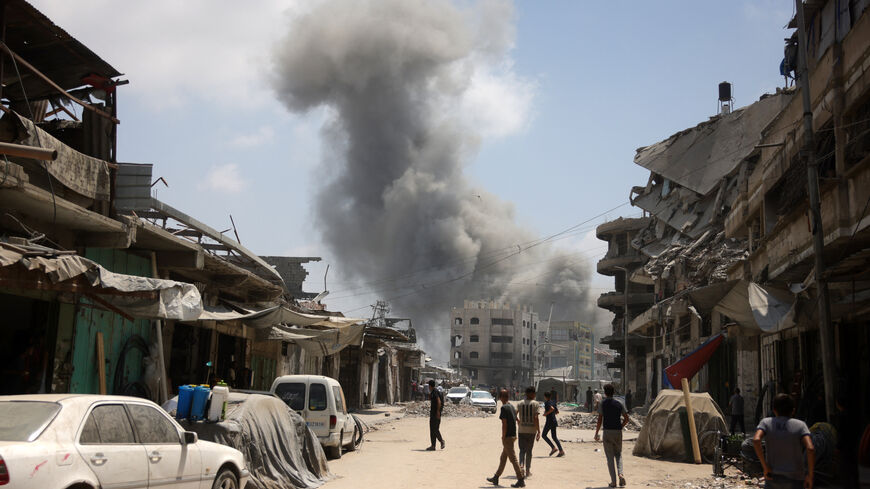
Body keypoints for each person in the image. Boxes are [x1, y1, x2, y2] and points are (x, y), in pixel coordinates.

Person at [752, 393, 814, 489]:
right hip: (796, 478)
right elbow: (810, 448)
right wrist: (810, 475)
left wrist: (765, 467)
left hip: (772, 477)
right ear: (793, 410)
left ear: (774, 410)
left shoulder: (766, 422)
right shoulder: (801, 425)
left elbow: (756, 440)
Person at [487, 389, 525, 488]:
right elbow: (516, 418)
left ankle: (521, 479)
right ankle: (496, 477)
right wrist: (517, 421)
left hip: (507, 437)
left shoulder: (504, 408)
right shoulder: (512, 406)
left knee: (513, 459)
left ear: (501, 398)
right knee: (503, 458)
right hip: (513, 435)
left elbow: (504, 423)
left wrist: (503, 436)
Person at [594, 384, 629, 488]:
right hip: (618, 432)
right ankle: (621, 474)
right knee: (618, 454)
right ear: (614, 392)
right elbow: (627, 419)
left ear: (605, 392)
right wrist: (620, 426)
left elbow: (600, 419)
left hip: (607, 432)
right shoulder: (620, 403)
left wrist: (596, 433)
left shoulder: (602, 403)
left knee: (610, 458)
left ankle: (613, 482)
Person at [516, 386, 541, 478]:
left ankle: (521, 465)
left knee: (522, 450)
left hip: (522, 430)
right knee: (529, 451)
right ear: (531, 394)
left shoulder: (520, 403)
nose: (535, 395)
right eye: (534, 393)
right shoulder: (536, 404)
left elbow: (515, 414)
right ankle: (527, 471)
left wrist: (518, 421)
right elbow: (536, 418)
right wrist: (538, 431)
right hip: (531, 431)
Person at [541, 391, 564, 457]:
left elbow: (552, 409)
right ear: (550, 396)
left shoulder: (547, 403)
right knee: (554, 437)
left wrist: (546, 413)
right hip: (554, 421)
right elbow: (557, 412)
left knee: (544, 435)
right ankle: (561, 451)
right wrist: (550, 412)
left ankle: (553, 448)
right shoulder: (553, 402)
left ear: (545, 397)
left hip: (549, 421)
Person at [427, 380, 445, 451]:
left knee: (435, 429)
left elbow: (439, 402)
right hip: (433, 413)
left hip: (435, 414)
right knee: (432, 429)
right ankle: (433, 446)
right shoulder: (433, 392)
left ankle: (441, 441)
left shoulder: (435, 392)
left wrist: (438, 412)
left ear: (430, 386)